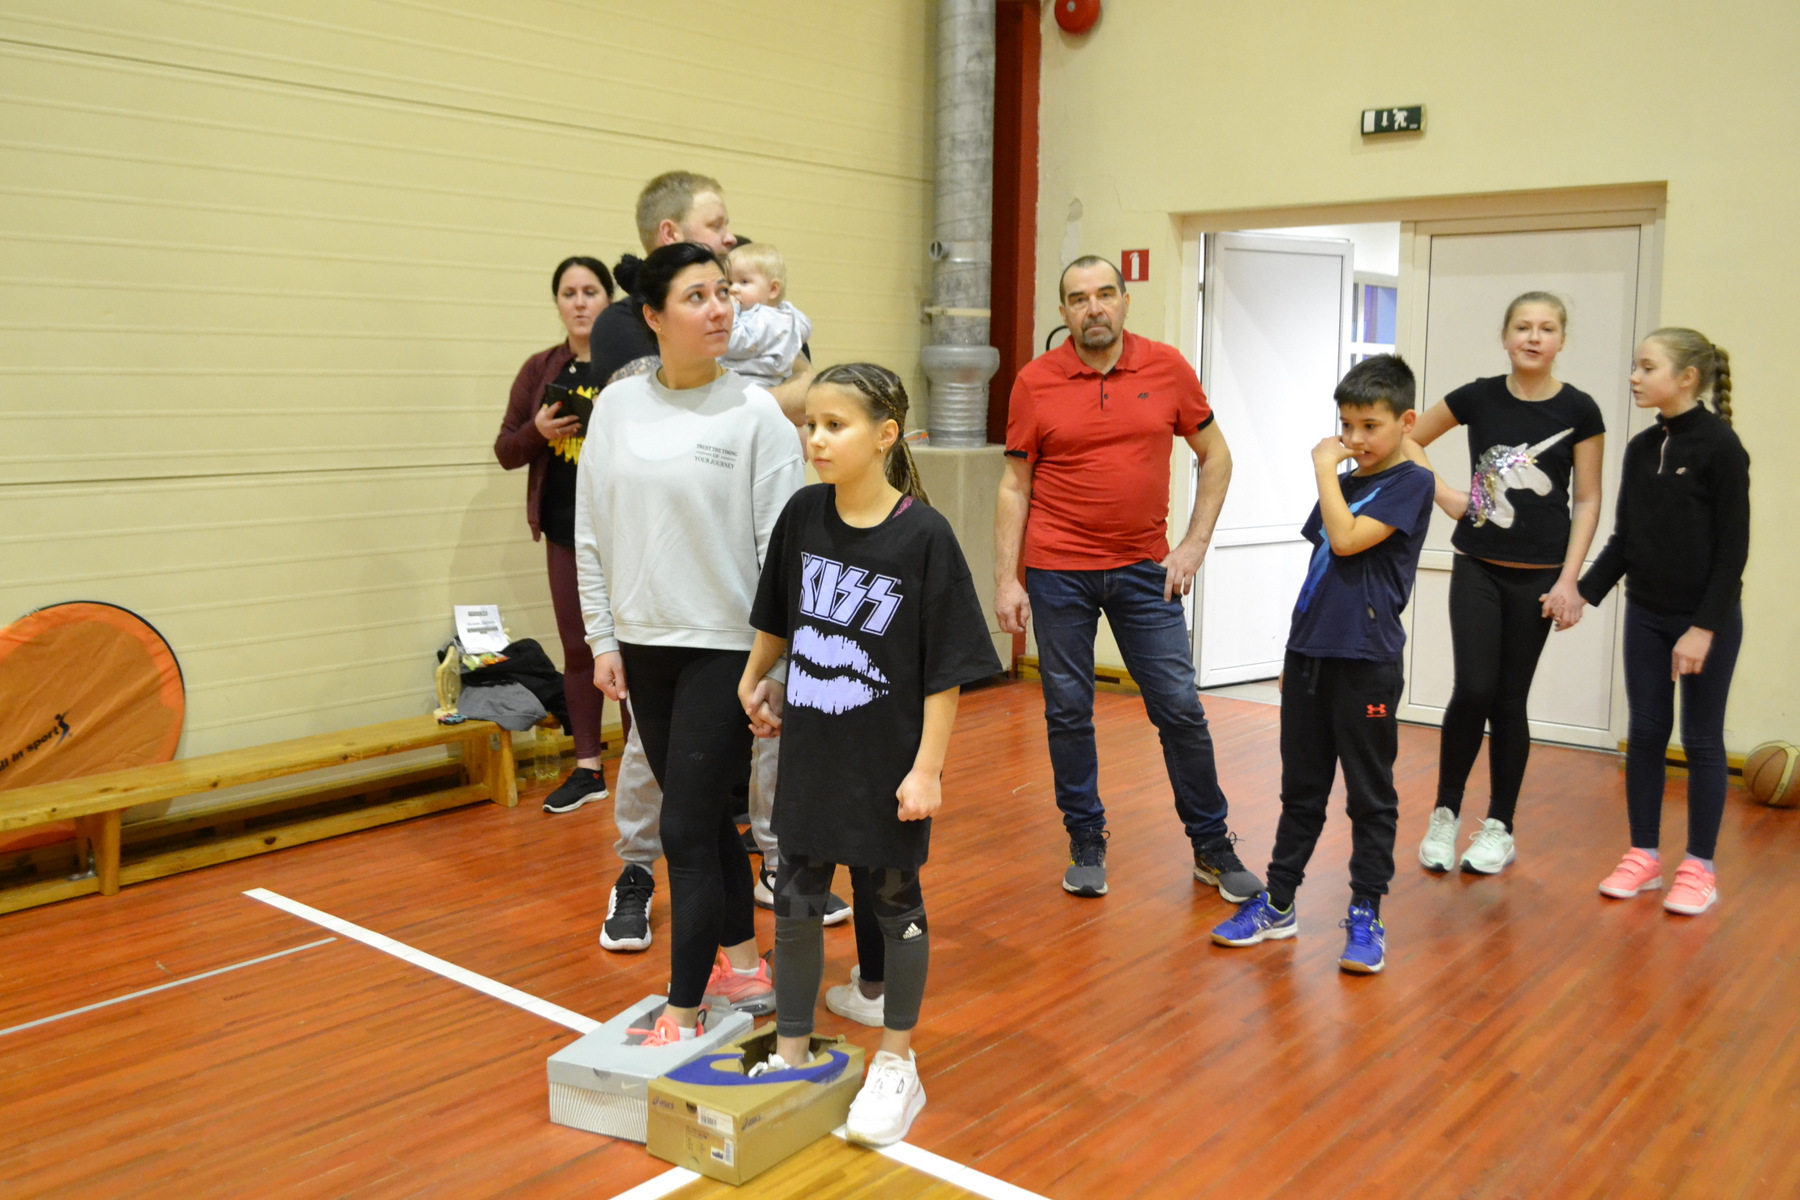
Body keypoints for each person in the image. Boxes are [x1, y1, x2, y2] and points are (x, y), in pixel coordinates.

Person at [738, 363, 1000, 1146]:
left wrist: (927, 769)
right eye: (810, 424)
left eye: (835, 425)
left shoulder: (925, 536)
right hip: (811, 756)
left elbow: (947, 671)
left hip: (886, 762)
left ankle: (895, 1060)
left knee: (893, 899)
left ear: (886, 435)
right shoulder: (802, 514)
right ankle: (791, 1051)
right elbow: (779, 617)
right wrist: (757, 676)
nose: (816, 439)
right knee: (796, 897)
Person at [585, 172, 834, 954]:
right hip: (644, 643)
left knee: (689, 823)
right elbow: (594, 531)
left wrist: (776, 664)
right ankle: (742, 965)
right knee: (700, 823)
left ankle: (696, 994)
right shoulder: (617, 406)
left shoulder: (756, 414)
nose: (721, 308)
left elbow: (783, 554)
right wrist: (601, 638)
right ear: (653, 317)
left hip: (727, 647)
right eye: (698, 297)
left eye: (725, 292)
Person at [994, 255, 1259, 902]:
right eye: (1079, 298)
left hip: (1145, 569)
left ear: (1124, 301)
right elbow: (1014, 485)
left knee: (1180, 707)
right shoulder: (1035, 381)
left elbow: (1216, 455)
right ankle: (1086, 838)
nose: (1094, 308)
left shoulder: (1167, 368)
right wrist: (1006, 578)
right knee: (1067, 711)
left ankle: (1212, 844)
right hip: (1058, 570)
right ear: (1064, 311)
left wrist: (1193, 545)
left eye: (1105, 293)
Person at [1211, 356, 1436, 974]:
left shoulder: (1411, 482)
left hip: (1367, 663)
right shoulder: (1349, 483)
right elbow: (1321, 569)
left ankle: (1366, 912)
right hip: (1310, 657)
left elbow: (1347, 539)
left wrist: (1322, 468)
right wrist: (1296, 646)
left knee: (1370, 795)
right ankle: (1278, 903)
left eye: (1370, 426)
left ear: (1406, 423)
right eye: (1346, 425)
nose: (1354, 439)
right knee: (1301, 791)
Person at [1410, 292, 1606, 876]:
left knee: (1508, 701)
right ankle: (1444, 815)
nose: (1533, 337)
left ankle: (1499, 827)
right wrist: (1448, 496)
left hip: (1540, 577)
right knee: (1473, 688)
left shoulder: (1581, 410)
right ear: (1505, 336)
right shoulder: (1478, 396)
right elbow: (1408, 437)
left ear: (1561, 341)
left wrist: (1570, 581)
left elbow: (1588, 499)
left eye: (1546, 328)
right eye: (1523, 327)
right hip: (1478, 567)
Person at [1575, 329, 1748, 916]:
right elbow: (1626, 540)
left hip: (1705, 620)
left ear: (1687, 378)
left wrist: (1704, 628)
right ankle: (1644, 855)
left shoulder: (1721, 447)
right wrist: (1579, 594)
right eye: (1635, 366)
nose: (1635, 376)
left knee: (1701, 740)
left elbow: (1733, 552)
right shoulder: (1642, 447)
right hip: (1646, 615)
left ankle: (1700, 867)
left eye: (1647, 367)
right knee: (1646, 733)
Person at [493, 256, 616, 814]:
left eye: (591, 291)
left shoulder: (634, 366)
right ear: (558, 304)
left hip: (628, 533)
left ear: (609, 300)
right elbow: (505, 451)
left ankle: (647, 763)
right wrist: (538, 431)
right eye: (569, 293)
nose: (581, 302)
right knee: (578, 648)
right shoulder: (540, 369)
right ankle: (588, 766)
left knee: (633, 652)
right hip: (567, 530)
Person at [722, 242, 813, 386]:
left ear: (773, 289)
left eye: (744, 282)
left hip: (750, 383)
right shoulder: (785, 313)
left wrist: (731, 310)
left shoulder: (762, 319)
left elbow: (734, 343)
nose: (732, 289)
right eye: (729, 282)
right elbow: (806, 327)